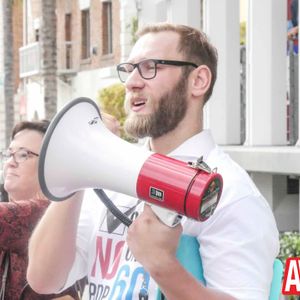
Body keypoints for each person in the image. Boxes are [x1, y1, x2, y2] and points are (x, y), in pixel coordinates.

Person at [27, 23, 279, 299]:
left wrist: (162, 265)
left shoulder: (231, 193)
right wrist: (76, 169)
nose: (133, 82)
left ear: (198, 81)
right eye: (129, 69)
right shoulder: (107, 169)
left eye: (150, 67)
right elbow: (44, 279)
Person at [0, 120, 85, 300]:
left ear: (51, 167)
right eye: (9, 153)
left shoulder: (47, 214)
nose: (10, 163)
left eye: (23, 155)